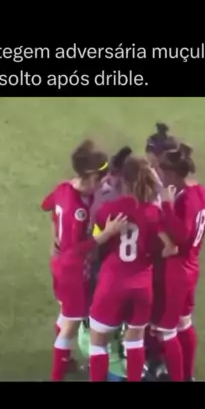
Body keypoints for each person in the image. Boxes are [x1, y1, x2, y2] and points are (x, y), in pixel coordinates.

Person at [41, 140, 128, 381]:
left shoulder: (64, 188)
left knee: (66, 316)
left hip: (61, 265)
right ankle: (57, 373)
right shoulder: (77, 209)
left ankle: (64, 360)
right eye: (98, 180)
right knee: (70, 325)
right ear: (88, 176)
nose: (100, 185)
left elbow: (47, 205)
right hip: (72, 271)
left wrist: (54, 238)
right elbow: (75, 251)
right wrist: (106, 235)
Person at [88, 155, 175, 382]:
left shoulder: (109, 210)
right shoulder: (155, 213)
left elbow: (94, 243)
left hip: (112, 282)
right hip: (142, 285)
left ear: (123, 181)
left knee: (98, 342)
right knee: (135, 341)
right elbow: (167, 248)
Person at [152, 143, 205, 381]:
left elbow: (182, 234)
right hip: (192, 266)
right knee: (184, 323)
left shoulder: (184, 199)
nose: (160, 176)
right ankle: (187, 375)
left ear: (172, 174)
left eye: (162, 172)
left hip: (177, 270)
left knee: (167, 330)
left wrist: (167, 206)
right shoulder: (200, 191)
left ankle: (178, 377)